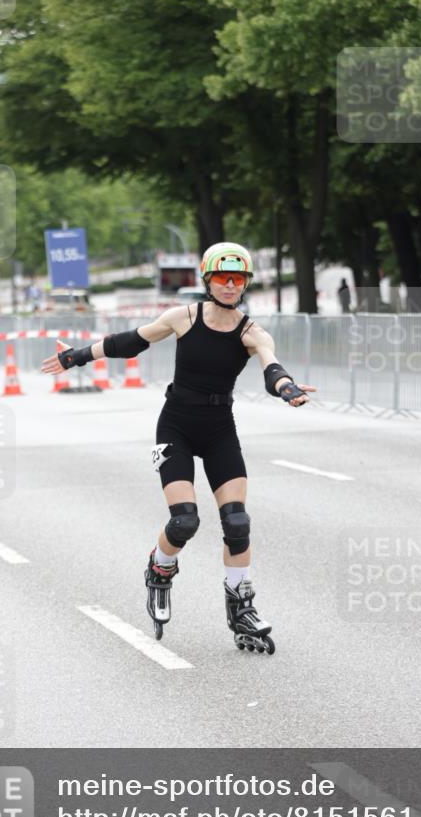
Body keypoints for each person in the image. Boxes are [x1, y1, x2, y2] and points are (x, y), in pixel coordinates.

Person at [41, 242, 315, 655]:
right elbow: (131, 341)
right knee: (185, 521)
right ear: (207, 280)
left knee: (237, 524)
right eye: (222, 277)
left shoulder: (252, 332)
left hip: (220, 428)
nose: (229, 285)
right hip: (177, 427)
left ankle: (241, 607)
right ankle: (160, 568)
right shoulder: (183, 317)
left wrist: (287, 387)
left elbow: (271, 367)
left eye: (237, 278)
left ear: (245, 284)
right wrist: (76, 357)